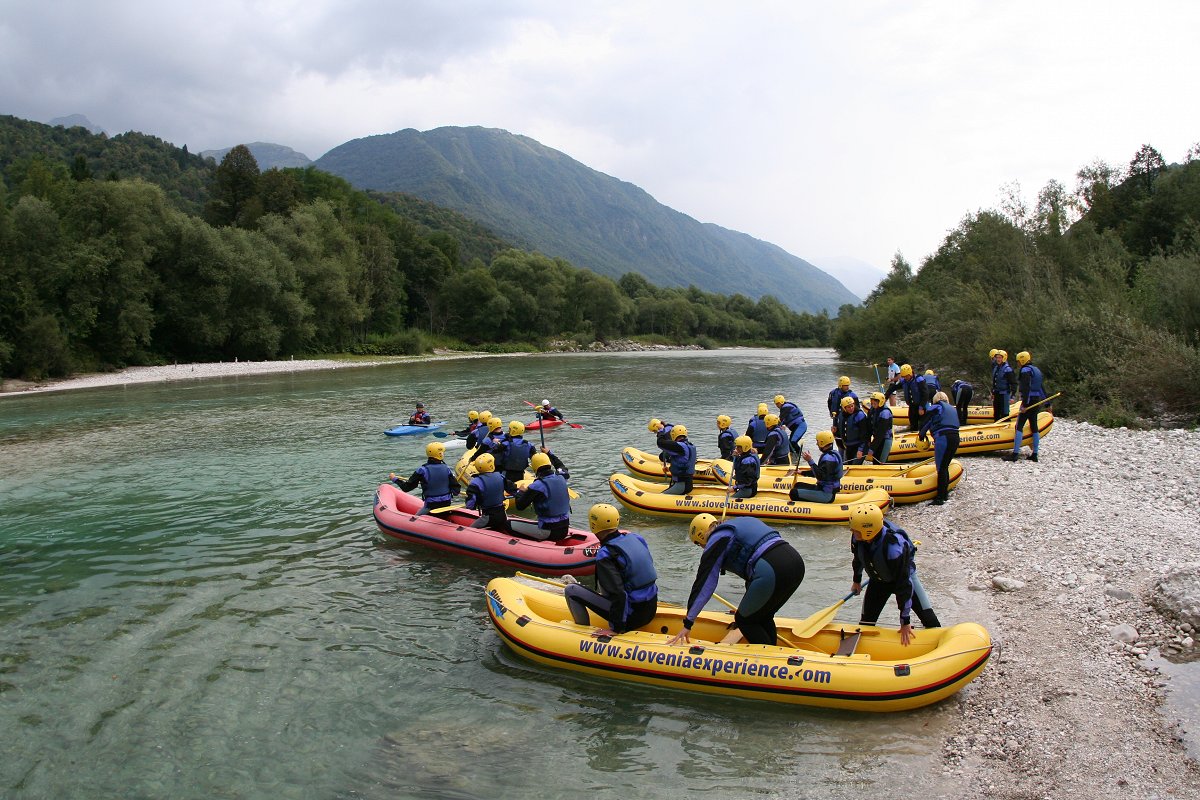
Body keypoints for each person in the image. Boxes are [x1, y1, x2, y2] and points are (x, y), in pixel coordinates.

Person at [666, 513, 805, 647]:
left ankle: (765, 662)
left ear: (701, 537)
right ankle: (772, 653)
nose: (702, 548)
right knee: (762, 615)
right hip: (796, 563)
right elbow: (752, 577)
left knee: (744, 621)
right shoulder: (736, 524)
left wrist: (688, 622)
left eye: (698, 544)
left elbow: (704, 583)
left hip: (773, 569)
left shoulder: (717, 539)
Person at [848, 503, 940, 645]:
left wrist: (905, 621)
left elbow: (903, 584)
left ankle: (941, 643)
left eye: (856, 530)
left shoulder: (894, 547)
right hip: (878, 582)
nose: (853, 533)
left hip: (904, 580)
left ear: (868, 530)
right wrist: (857, 580)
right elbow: (858, 559)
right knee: (865, 624)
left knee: (930, 621)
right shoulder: (858, 539)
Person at [564, 504, 659, 636]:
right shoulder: (636, 538)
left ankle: (581, 633)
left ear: (593, 524)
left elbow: (618, 594)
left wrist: (616, 628)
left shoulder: (606, 554)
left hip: (631, 618)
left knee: (571, 590)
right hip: (650, 609)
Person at [514, 449, 572, 541]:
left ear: (534, 467)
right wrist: (549, 453)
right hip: (565, 528)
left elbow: (520, 506)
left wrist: (520, 492)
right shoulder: (562, 477)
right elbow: (561, 466)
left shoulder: (537, 486)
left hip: (548, 531)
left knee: (509, 525)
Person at [1004, 351, 1049, 463]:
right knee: (1034, 426)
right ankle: (1035, 454)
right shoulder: (1036, 370)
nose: (1018, 363)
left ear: (1022, 360)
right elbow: (1041, 388)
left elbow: (1026, 388)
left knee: (1019, 426)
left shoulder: (1025, 371)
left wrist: (1024, 404)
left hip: (1028, 401)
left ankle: (1015, 454)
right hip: (1036, 401)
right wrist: (1048, 404)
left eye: (1019, 361)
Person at [393, 441, 460, 514]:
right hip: (446, 504)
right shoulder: (447, 469)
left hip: (431, 507)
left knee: (415, 518)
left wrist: (395, 479)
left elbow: (407, 488)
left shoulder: (422, 470)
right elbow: (456, 490)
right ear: (440, 454)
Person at [918, 391, 960, 505]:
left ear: (935, 400)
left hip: (943, 438)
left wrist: (921, 435)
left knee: (941, 468)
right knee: (945, 466)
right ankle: (944, 494)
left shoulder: (935, 408)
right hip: (955, 437)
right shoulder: (952, 408)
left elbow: (926, 423)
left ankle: (940, 498)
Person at [463, 452, 517, 533]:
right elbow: (514, 491)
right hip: (502, 514)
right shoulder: (501, 477)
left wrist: (471, 507)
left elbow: (470, 505)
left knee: (470, 531)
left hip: (488, 516)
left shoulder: (476, 483)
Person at [789, 430, 843, 503]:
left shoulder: (829, 459)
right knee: (797, 485)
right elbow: (820, 471)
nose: (816, 444)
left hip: (826, 494)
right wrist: (802, 472)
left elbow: (820, 476)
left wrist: (810, 460)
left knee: (793, 493)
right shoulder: (831, 454)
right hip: (822, 488)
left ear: (822, 442)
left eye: (817, 441)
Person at [885, 364, 928, 432]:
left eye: (905, 376)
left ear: (910, 374)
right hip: (912, 406)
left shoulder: (919, 380)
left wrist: (921, 407)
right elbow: (892, 388)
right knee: (913, 424)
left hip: (921, 405)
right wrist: (885, 397)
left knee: (922, 425)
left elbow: (925, 394)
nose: (904, 378)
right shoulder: (903, 381)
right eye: (903, 376)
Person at [657, 424, 697, 495]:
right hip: (687, 483)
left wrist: (661, 430)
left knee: (659, 497)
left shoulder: (680, 446)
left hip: (681, 485)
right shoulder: (689, 446)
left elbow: (660, 443)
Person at [833, 395, 869, 464]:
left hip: (859, 446)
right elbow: (841, 432)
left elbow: (864, 434)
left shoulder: (860, 415)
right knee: (847, 464)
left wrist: (860, 450)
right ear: (844, 408)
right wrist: (835, 432)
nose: (851, 408)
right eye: (848, 407)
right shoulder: (841, 415)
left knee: (855, 465)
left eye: (852, 406)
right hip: (848, 446)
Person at [773, 394, 808, 459]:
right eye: (776, 404)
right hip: (797, 428)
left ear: (782, 402)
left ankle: (802, 457)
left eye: (778, 403)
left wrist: (776, 428)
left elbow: (780, 419)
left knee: (792, 442)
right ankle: (795, 458)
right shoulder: (785, 407)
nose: (777, 406)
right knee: (790, 445)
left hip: (800, 426)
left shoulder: (785, 407)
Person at [865, 391, 894, 464]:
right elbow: (869, 427)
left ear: (880, 402)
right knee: (875, 460)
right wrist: (868, 439)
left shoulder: (885, 413)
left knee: (881, 461)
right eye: (872, 401)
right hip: (877, 438)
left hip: (885, 439)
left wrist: (872, 448)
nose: (872, 403)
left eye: (875, 402)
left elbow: (881, 433)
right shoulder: (872, 410)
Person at [990, 349, 1017, 421]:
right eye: (997, 358)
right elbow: (994, 382)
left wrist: (1012, 396)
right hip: (997, 394)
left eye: (1000, 358)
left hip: (1004, 395)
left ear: (1004, 358)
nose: (998, 359)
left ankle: (1006, 425)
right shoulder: (996, 368)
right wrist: (993, 392)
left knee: (1004, 413)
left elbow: (1013, 384)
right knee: (996, 413)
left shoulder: (1008, 370)